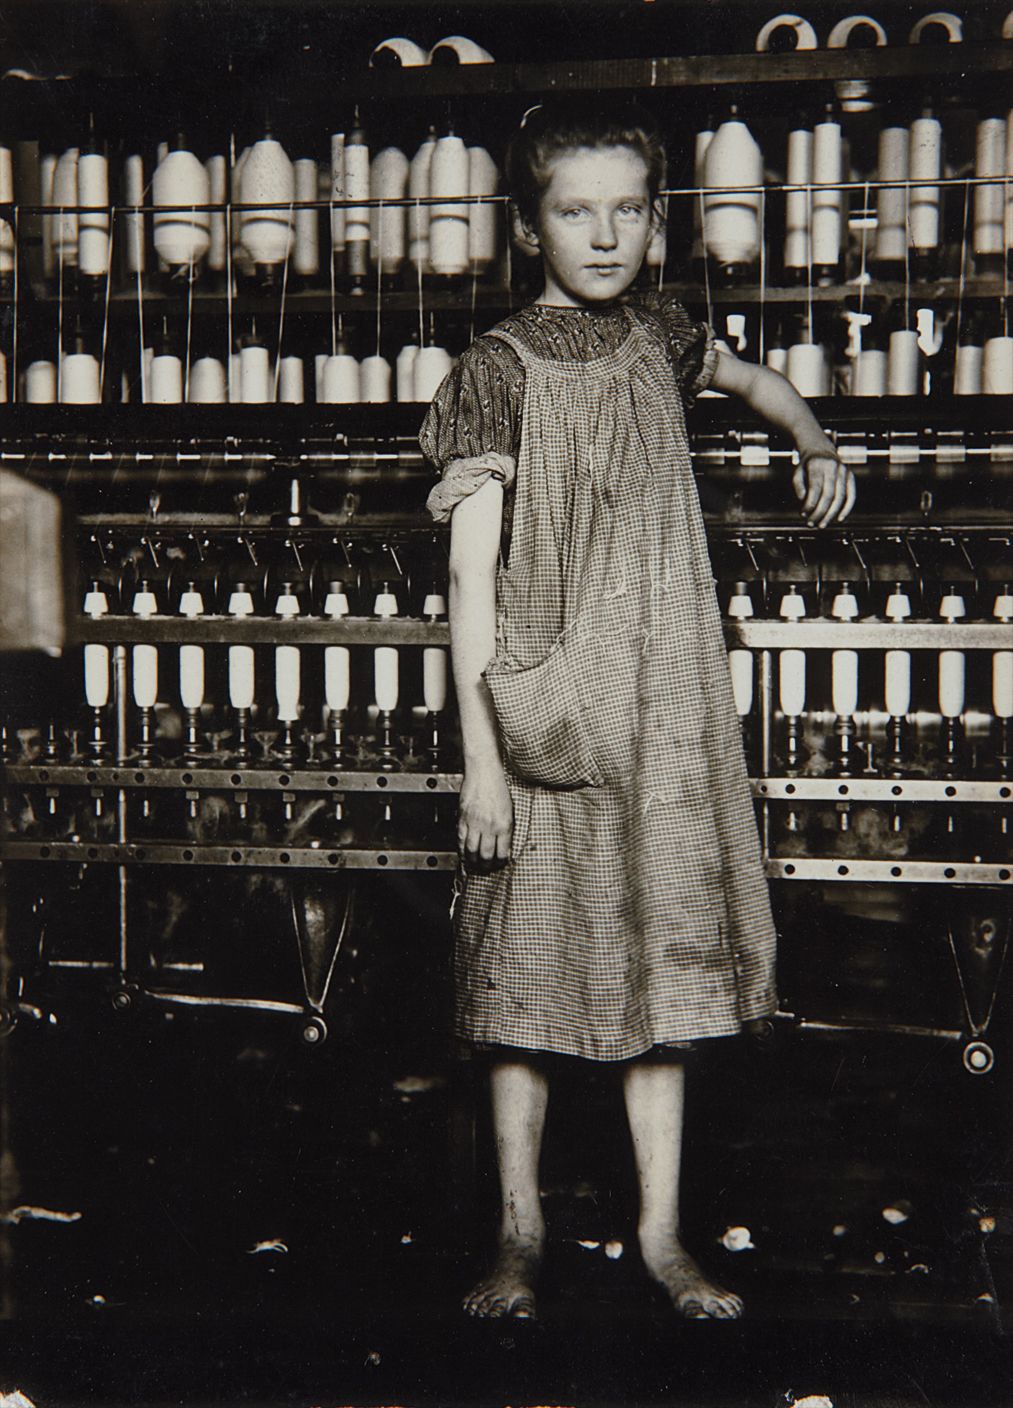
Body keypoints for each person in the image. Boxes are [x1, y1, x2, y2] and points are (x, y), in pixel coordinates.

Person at [421, 99, 855, 1322]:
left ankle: (661, 1236)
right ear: (526, 226)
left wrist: (812, 441)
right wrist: (483, 764)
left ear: (656, 223)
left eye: (626, 210)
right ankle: (518, 1233)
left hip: (662, 711)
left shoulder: (664, 333)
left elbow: (758, 379)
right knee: (521, 984)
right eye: (573, 211)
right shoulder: (493, 372)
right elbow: (467, 581)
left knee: (661, 979)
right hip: (543, 714)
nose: (602, 234)